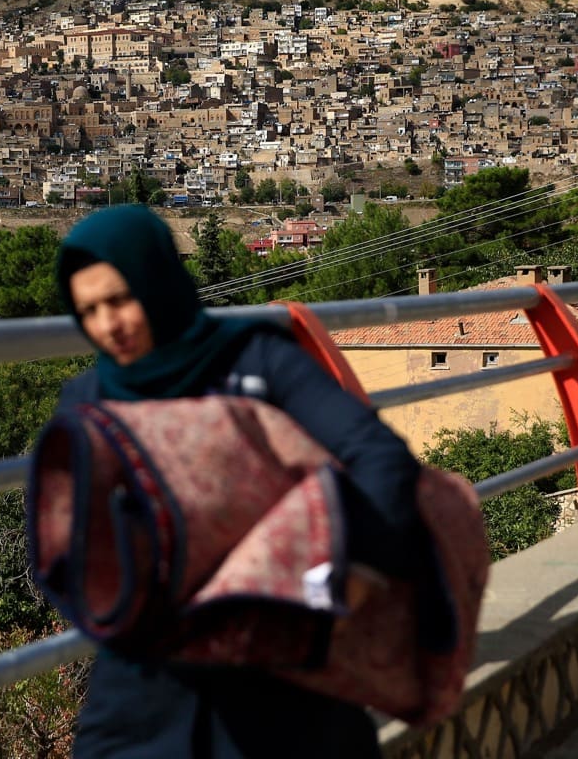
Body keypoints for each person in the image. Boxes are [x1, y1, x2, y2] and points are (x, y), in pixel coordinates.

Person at [52, 204, 454, 759]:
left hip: (276, 662)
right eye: (88, 311)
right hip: (149, 678)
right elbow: (67, 528)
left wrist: (354, 571)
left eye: (120, 300)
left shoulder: (256, 363)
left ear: (158, 280)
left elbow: (379, 458)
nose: (108, 326)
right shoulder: (89, 398)